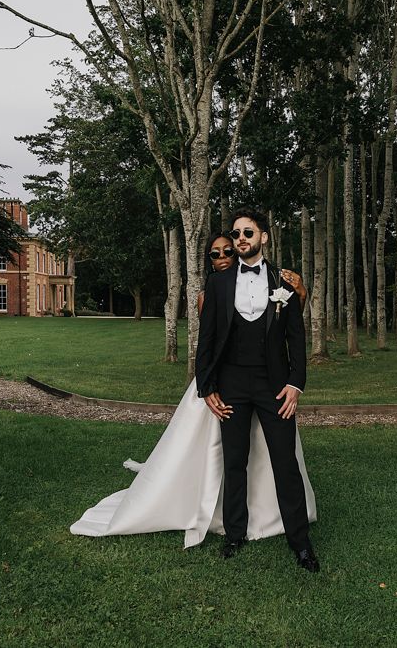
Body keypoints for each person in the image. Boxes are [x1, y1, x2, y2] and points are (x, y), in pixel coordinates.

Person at [70, 230, 316, 552]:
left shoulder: (268, 281)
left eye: (228, 251)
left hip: (264, 384)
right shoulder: (211, 292)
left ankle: (276, 521)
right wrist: (207, 387)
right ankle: (220, 519)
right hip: (220, 382)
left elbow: (284, 324)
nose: (224, 257)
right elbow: (211, 343)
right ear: (209, 261)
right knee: (218, 455)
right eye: (216, 254)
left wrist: (301, 292)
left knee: (275, 458)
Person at [196, 208, 319, 572]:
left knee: (286, 462)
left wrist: (296, 383)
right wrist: (207, 387)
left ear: (264, 236)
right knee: (235, 462)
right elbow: (207, 339)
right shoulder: (218, 283)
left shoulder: (285, 281)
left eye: (248, 232)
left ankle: (300, 543)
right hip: (231, 384)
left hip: (275, 386)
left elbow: (296, 339)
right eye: (236, 234)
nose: (241, 239)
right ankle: (235, 534)